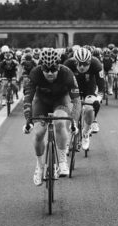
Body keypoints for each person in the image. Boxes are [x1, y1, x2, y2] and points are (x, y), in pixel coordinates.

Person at [22, 48, 81, 186]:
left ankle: (61, 160)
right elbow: (28, 98)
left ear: (59, 66)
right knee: (38, 133)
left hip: (61, 100)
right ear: (41, 67)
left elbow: (77, 100)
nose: (49, 73)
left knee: (60, 122)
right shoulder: (35, 73)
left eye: (53, 69)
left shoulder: (67, 73)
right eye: (46, 69)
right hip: (41, 101)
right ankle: (40, 166)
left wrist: (74, 122)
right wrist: (28, 120)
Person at [64, 47, 104, 150]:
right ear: (75, 61)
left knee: (89, 108)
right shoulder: (68, 64)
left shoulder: (97, 64)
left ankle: (85, 132)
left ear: (90, 62)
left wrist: (97, 100)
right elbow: (61, 84)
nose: (82, 67)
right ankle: (68, 135)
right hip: (73, 87)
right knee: (68, 108)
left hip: (89, 87)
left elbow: (101, 88)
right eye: (79, 64)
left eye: (85, 64)